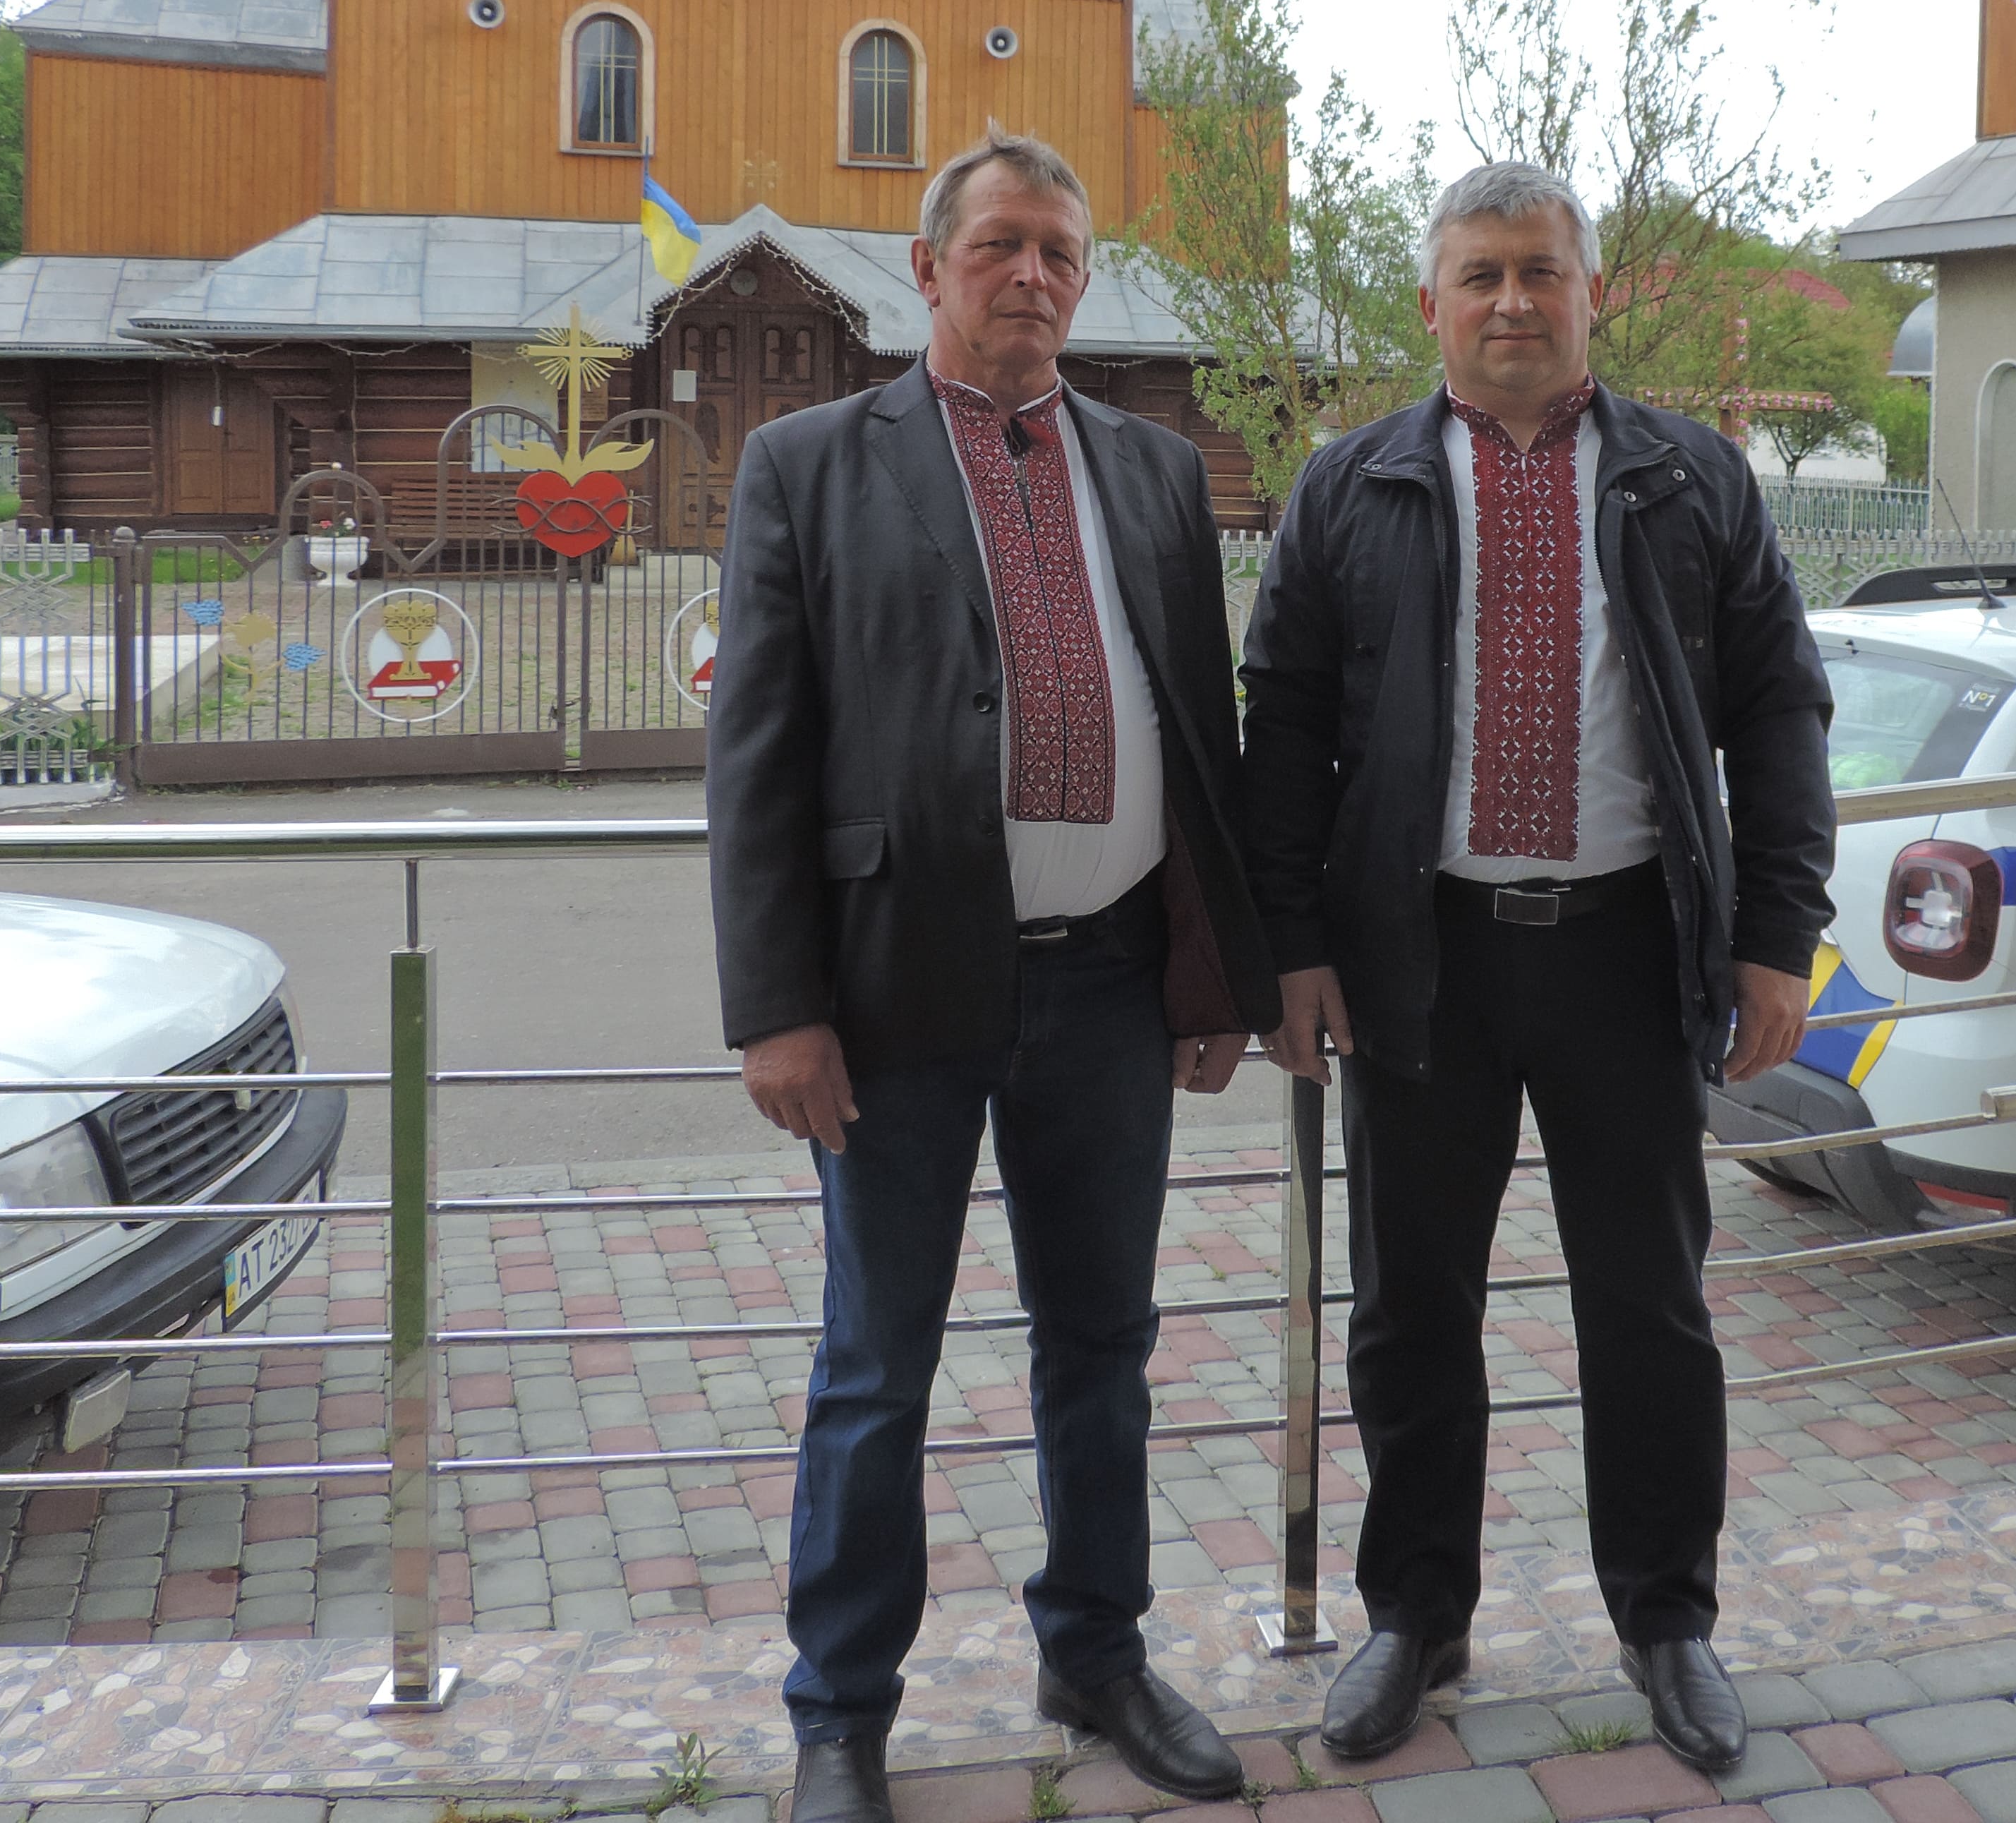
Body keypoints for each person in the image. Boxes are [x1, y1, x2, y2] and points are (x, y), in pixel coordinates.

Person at [709, 128, 1279, 1823]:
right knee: (876, 1366)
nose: (1034, 275)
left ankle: (1096, 1653)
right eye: (1003, 245)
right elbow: (757, 757)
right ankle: (839, 1713)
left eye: (1062, 252)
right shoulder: (809, 464)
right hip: (894, 997)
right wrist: (777, 1008)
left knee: (1103, 1343)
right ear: (928, 267)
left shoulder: (1156, 471)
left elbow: (1204, 739)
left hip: (1109, 987)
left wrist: (1216, 974)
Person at [1240, 160, 1835, 1774]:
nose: (1513, 301)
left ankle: (1669, 1620)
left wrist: (1778, 936)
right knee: (1410, 1310)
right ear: (1433, 303)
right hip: (1417, 957)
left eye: (1540, 271)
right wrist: (1291, 946)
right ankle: (1415, 1617)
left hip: (1629, 954)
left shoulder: (1692, 479)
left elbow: (1779, 708)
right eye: (1482, 274)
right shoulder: (1347, 488)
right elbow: (1280, 725)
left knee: (1650, 1306)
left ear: (1591, 293)